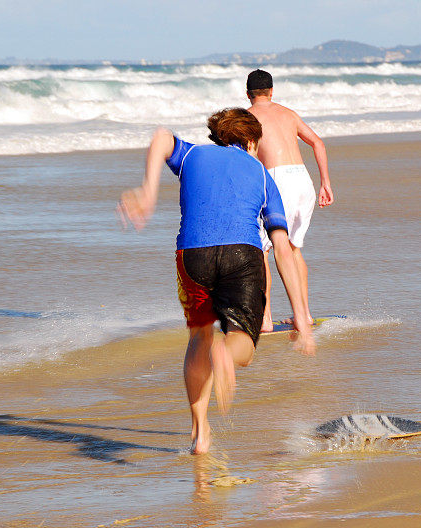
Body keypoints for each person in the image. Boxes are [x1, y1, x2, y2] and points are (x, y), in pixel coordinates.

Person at [117, 108, 316, 454]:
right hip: (242, 255)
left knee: (199, 337)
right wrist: (302, 317)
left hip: (192, 258)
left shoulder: (192, 154)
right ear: (251, 141)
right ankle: (226, 352)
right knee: (241, 343)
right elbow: (282, 248)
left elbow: (162, 136)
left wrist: (148, 191)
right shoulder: (261, 173)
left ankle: (200, 433)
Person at [245, 69, 334, 332]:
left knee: (263, 250)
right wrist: (325, 183)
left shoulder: (247, 118)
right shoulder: (288, 113)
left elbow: (249, 158)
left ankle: (264, 319)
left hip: (275, 180)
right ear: (272, 91)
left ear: (247, 93)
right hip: (302, 180)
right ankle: (304, 315)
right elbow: (317, 143)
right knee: (293, 248)